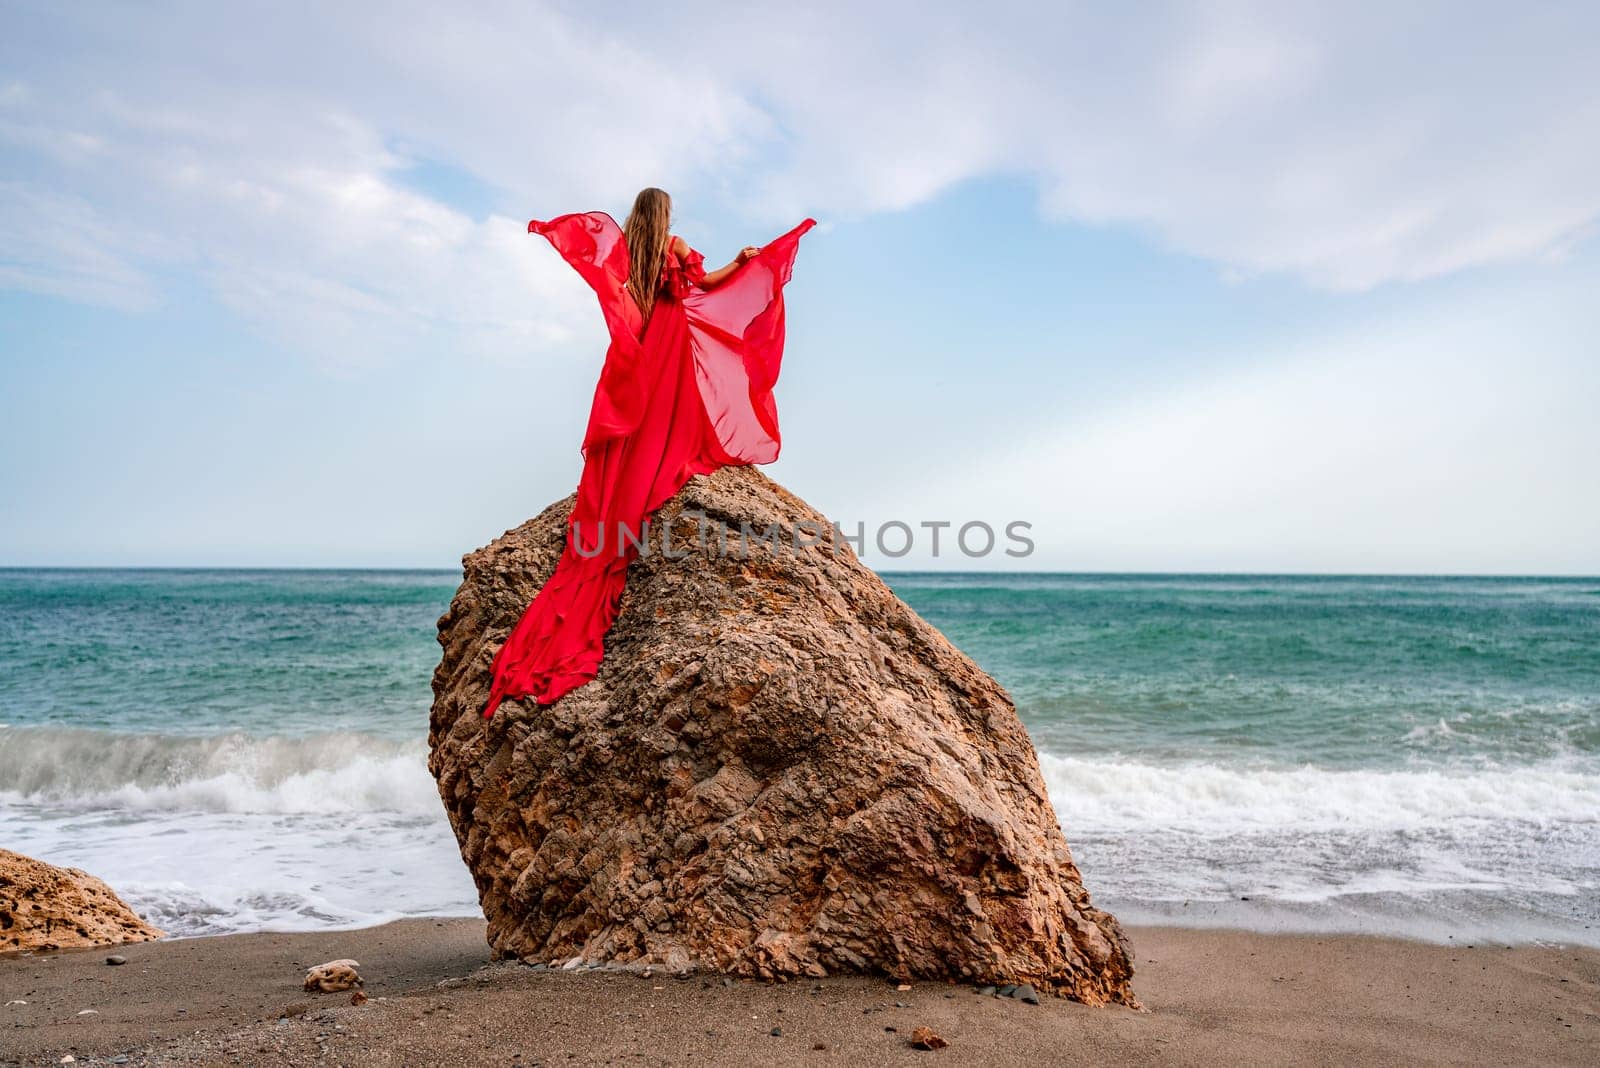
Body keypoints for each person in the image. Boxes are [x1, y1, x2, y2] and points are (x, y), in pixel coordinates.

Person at [481, 188, 815, 717]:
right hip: (674, 343)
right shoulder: (675, 246)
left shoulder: (633, 254)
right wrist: (744, 261)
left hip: (645, 347)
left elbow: (617, 287)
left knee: (642, 425)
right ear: (666, 215)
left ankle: (641, 466)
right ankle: (665, 461)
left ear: (638, 216)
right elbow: (706, 284)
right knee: (677, 420)